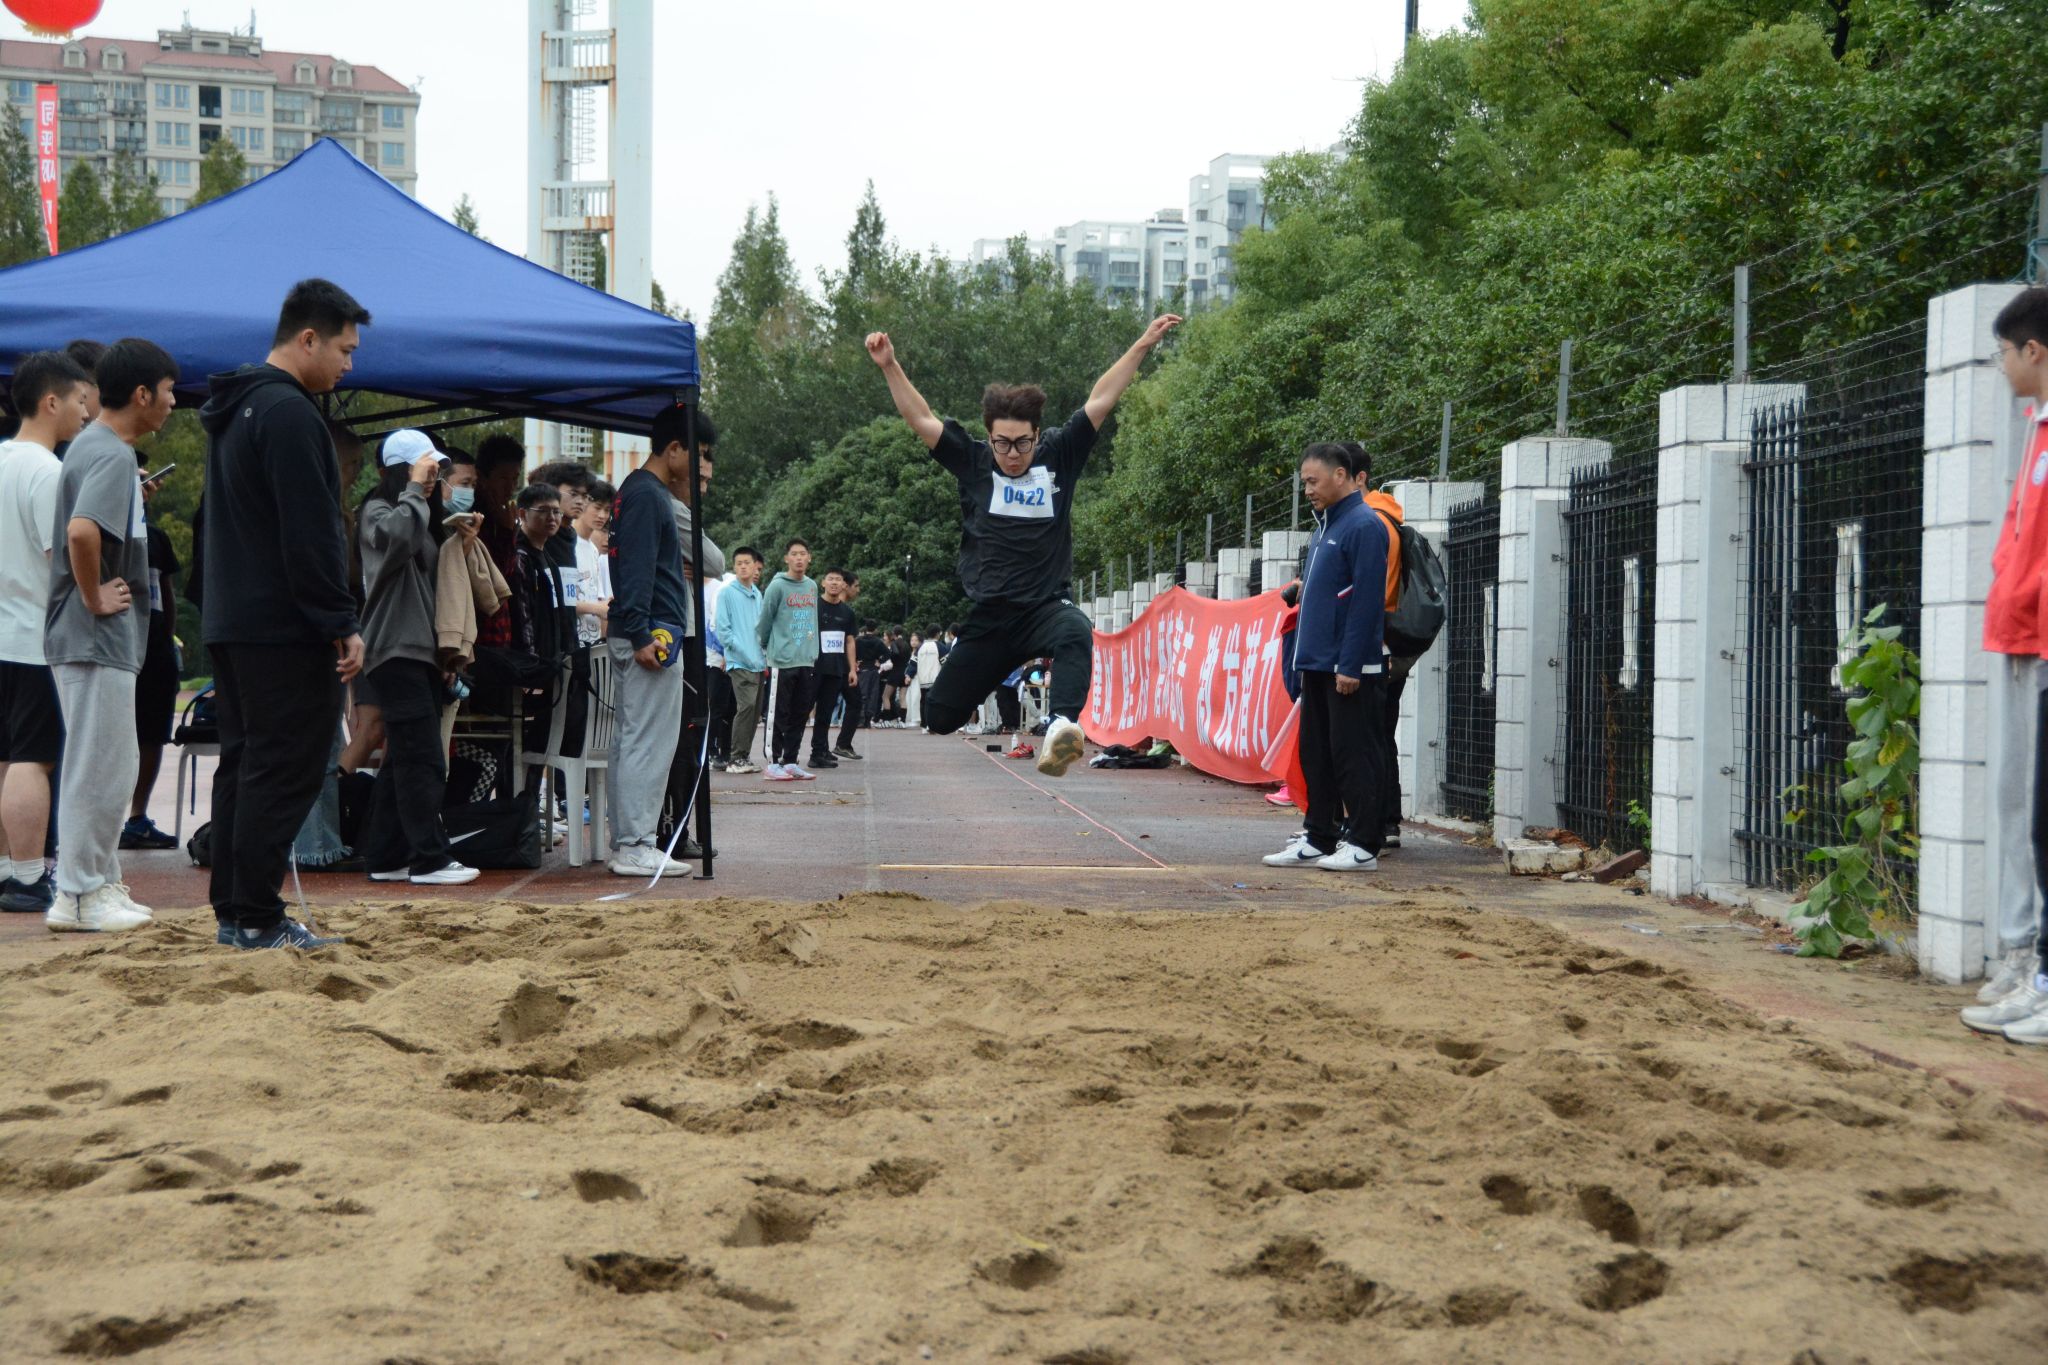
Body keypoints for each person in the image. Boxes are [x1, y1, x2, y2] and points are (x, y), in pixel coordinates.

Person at [865, 314, 1181, 776]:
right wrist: (890, 365)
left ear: (1037, 434)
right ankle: (994, 671)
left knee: (1076, 629)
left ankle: (1062, 728)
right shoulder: (974, 462)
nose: (1012, 455)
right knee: (940, 717)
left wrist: (1143, 344)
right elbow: (921, 418)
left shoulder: (1060, 454)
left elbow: (1101, 398)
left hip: (1045, 607)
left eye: (1022, 444)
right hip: (992, 617)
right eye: (1002, 444)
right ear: (988, 436)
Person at [200, 279, 368, 950]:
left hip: (233, 618)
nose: (348, 365)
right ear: (308, 339)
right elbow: (311, 531)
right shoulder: (290, 414)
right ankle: (257, 916)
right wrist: (340, 619)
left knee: (245, 762)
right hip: (282, 624)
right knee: (288, 765)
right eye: (344, 350)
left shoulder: (235, 407)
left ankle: (235, 912)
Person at [45, 339, 181, 932]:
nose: (173, 402)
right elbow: (80, 532)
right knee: (98, 767)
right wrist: (94, 594)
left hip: (101, 639)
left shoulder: (104, 449)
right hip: (94, 636)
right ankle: (78, 894)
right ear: (143, 394)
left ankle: (98, 881)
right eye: (169, 391)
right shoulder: (110, 453)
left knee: (112, 763)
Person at [1960, 286, 2048, 1045]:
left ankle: (2037, 969)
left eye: (2002, 352)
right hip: (2020, 634)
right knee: (2018, 804)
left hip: (2042, 638)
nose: (2000, 365)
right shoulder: (2035, 429)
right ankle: (2023, 957)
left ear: (2034, 350)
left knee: (2038, 810)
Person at [356, 429, 477, 886]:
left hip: (420, 650)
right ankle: (429, 859)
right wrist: (414, 490)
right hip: (393, 649)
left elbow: (431, 585)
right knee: (423, 757)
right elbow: (398, 540)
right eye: (427, 470)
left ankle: (386, 856)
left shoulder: (420, 512)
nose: (433, 479)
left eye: (435, 472)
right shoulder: (378, 510)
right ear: (401, 471)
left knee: (404, 757)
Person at [1262, 443, 1389, 873]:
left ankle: (1365, 844)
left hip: (1346, 668)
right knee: (1317, 754)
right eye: (1304, 483)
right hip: (1317, 664)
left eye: (1313, 481)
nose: (1308, 491)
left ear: (1341, 475)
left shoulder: (1364, 526)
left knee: (1353, 755)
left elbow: (1366, 603)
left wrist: (1350, 665)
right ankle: (1319, 836)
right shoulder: (1325, 526)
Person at [0, 351, 92, 917]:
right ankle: (29, 876)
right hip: (35, 637)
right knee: (33, 760)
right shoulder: (48, 470)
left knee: (6, 760)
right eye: (81, 400)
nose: (86, 411)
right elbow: (61, 556)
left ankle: (8, 869)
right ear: (50, 401)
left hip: (3, 632)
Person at [603, 404, 692, 878]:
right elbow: (635, 569)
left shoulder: (637, 491)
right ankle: (636, 843)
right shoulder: (647, 495)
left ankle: (629, 841)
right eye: (698, 453)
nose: (700, 465)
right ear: (674, 448)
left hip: (642, 629)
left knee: (632, 740)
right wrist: (641, 632)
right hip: (648, 634)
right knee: (646, 742)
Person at [120, 447, 183, 852]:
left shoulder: (157, 538)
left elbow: (168, 591)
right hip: (116, 645)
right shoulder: (103, 531)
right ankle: (105, 818)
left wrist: (168, 639)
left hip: (155, 647)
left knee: (153, 733)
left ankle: (137, 817)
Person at [1346, 441, 1407, 853]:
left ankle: (1376, 824)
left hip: (1374, 645)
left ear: (1358, 478)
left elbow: (1369, 592)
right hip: (1384, 642)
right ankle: (1384, 822)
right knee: (1380, 734)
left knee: (1369, 736)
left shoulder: (1372, 524)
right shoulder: (1384, 517)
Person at [756, 538, 820, 781]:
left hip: (806, 659)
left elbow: (813, 619)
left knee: (800, 713)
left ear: (809, 557)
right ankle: (773, 763)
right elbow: (765, 620)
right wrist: (766, 646)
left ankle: (791, 761)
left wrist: (813, 651)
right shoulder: (777, 586)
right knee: (778, 714)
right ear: (786, 558)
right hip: (782, 661)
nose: (799, 558)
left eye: (803, 553)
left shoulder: (812, 586)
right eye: (794, 554)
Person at [716, 546, 767, 773]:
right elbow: (723, 630)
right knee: (746, 707)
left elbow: (761, 628)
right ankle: (735, 758)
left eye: (747, 563)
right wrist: (740, 650)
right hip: (739, 661)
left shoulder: (757, 594)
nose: (744, 567)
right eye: (739, 563)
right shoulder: (727, 593)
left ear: (755, 566)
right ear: (734, 567)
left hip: (758, 662)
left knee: (755, 713)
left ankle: (744, 757)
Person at [809, 568, 859, 769]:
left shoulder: (847, 612)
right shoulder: (813, 606)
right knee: (802, 710)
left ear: (843, 585)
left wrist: (852, 669)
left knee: (825, 713)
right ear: (823, 583)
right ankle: (788, 755)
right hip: (812, 667)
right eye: (830, 579)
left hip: (836, 669)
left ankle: (818, 753)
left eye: (838, 580)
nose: (834, 583)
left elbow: (849, 641)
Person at [571, 475, 613, 649]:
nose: (602, 515)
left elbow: (597, 597)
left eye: (607, 510)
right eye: (597, 507)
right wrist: (597, 608)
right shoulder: (567, 545)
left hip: (592, 643)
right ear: (583, 502)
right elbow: (559, 600)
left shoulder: (593, 550)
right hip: (570, 644)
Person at [854, 623, 884, 740]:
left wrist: (856, 661)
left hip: (862, 669)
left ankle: (860, 719)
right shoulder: (878, 642)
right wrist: (879, 660)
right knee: (873, 695)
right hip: (874, 670)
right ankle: (868, 720)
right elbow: (888, 654)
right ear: (875, 629)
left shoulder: (858, 640)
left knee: (862, 694)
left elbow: (851, 650)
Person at [913, 629, 941, 729]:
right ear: (937, 634)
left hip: (922, 680)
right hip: (935, 680)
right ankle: (933, 724)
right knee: (934, 702)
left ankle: (924, 725)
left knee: (923, 702)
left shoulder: (920, 647)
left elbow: (913, 662)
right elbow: (946, 662)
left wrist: (908, 674)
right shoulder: (939, 646)